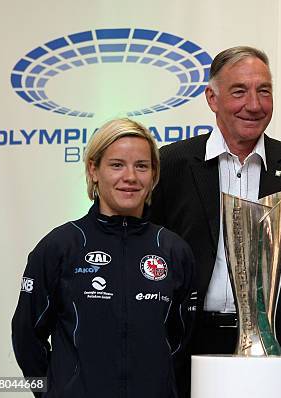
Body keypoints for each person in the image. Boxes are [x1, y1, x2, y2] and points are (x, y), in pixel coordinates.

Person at [150, 46, 281, 357]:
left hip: (274, 345)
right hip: (188, 341)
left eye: (264, 91)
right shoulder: (170, 165)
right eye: (239, 91)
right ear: (212, 99)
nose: (254, 105)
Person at [12, 118, 196, 398]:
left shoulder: (173, 251)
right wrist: (51, 393)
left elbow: (183, 343)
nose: (131, 177)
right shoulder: (61, 246)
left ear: (154, 174)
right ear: (93, 169)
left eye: (141, 166)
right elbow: (27, 336)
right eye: (117, 164)